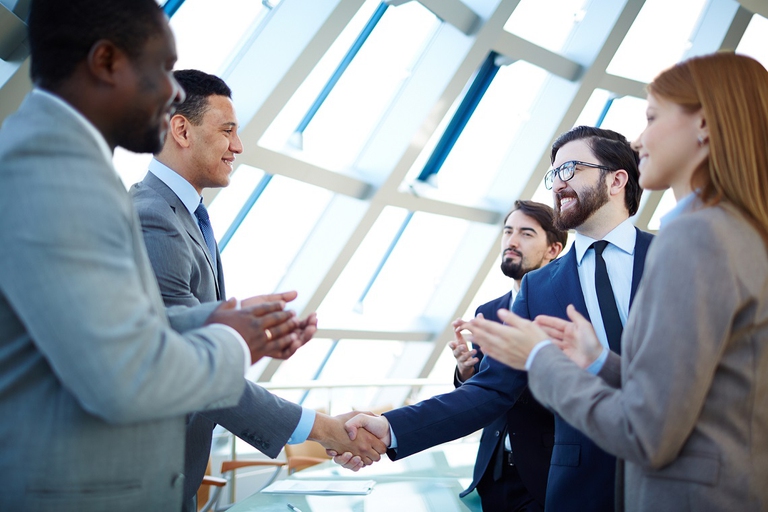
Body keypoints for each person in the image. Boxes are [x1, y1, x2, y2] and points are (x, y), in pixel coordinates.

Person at [0, 2, 383, 511]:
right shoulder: (60, 174)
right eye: (162, 68)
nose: (169, 92)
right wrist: (232, 340)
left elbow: (113, 325)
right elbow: (124, 374)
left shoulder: (73, 166)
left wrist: (213, 317)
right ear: (106, 61)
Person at [464, 52, 768, 511]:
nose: (640, 139)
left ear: (703, 124)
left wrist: (542, 358)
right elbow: (706, 392)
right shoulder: (741, 232)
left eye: (652, 117)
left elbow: (646, 433)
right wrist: (600, 361)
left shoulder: (694, 238)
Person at [336, 125, 650, 512]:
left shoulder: (675, 254)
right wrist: (389, 427)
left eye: (571, 169)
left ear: (617, 179)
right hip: (581, 489)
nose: (557, 184)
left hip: (682, 475)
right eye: (554, 174)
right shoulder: (539, 287)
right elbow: (491, 390)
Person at [130, 69, 321, 511]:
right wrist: (320, 429)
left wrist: (256, 337)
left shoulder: (185, 214)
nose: (237, 147)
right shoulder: (152, 217)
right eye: (227, 131)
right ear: (181, 129)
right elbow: (191, 361)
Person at [449, 200, 566, 511]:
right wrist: (467, 372)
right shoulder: (488, 312)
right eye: (508, 231)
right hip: (492, 474)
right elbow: (479, 396)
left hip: (545, 474)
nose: (512, 241)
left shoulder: (564, 313)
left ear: (553, 250)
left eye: (526, 234)